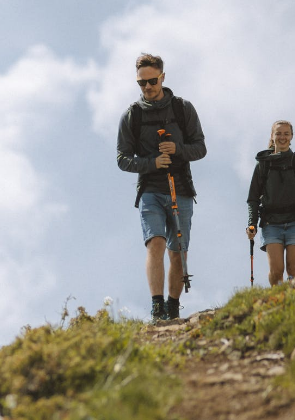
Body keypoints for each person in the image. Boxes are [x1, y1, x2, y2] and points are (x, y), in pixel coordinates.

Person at [117, 53, 207, 321]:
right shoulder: (131, 116)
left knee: (177, 251)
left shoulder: (183, 109)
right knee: (154, 244)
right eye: (141, 83)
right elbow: (122, 159)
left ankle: (173, 306)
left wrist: (177, 149)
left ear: (163, 77)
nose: (147, 87)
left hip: (182, 190)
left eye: (152, 81)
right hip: (150, 191)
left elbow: (200, 148)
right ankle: (157, 306)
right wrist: (151, 162)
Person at [246, 120, 295, 286]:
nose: (282, 137)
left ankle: (294, 304)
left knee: (293, 269)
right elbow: (253, 198)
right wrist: (251, 224)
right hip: (270, 223)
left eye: (286, 134)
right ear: (272, 136)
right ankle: (278, 302)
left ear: (291, 137)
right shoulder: (263, 164)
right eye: (278, 133)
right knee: (276, 271)